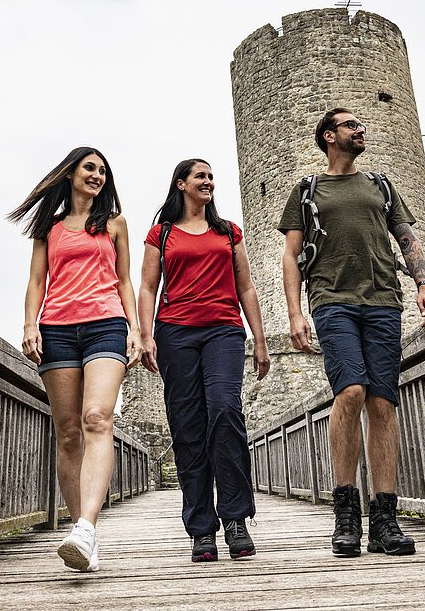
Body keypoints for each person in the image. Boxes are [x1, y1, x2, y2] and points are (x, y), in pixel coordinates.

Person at [278, 108, 425, 558]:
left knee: (383, 402)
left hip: (384, 300)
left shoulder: (381, 186)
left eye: (361, 124)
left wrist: (423, 285)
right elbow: (291, 256)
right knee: (350, 392)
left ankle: (385, 518)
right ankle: (346, 511)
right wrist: (295, 314)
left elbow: (407, 238)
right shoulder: (308, 191)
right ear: (329, 136)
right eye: (351, 125)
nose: (360, 129)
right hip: (331, 301)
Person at [8, 146, 141, 573]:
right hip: (57, 330)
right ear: (70, 174)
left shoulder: (114, 223)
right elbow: (36, 280)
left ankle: (85, 526)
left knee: (98, 417)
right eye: (90, 168)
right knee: (68, 433)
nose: (97, 175)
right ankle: (83, 535)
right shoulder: (49, 227)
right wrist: (30, 325)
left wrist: (136, 329)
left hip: (106, 324)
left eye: (103, 170)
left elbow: (123, 280)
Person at [136, 158, 270, 562]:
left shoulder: (228, 232)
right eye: (201, 176)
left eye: (212, 176)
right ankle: (201, 528)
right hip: (175, 333)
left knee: (226, 411)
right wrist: (145, 335)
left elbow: (245, 286)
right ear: (181, 185)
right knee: (187, 425)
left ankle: (235, 518)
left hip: (224, 331)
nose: (209, 181)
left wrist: (259, 340)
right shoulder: (161, 234)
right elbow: (146, 287)